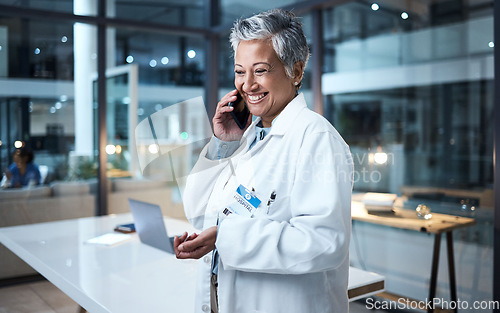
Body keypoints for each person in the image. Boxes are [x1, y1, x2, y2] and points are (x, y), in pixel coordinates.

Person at [174, 9, 353, 313]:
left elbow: (324, 242)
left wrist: (225, 236)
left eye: (260, 70)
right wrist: (222, 145)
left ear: (295, 71)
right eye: (240, 72)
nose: (247, 85)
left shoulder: (317, 138)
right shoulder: (246, 136)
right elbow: (198, 213)